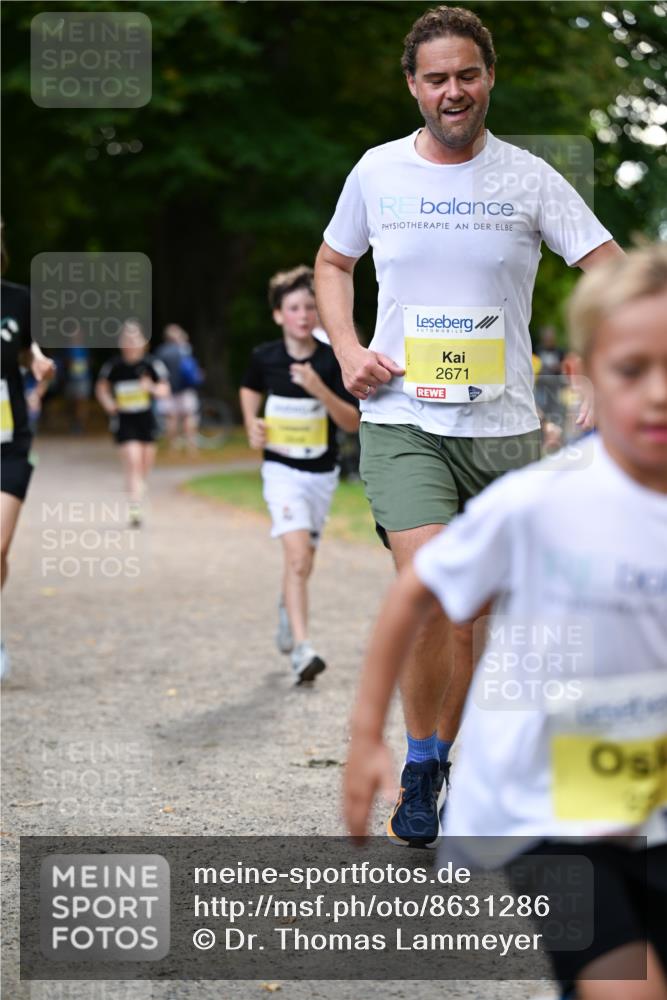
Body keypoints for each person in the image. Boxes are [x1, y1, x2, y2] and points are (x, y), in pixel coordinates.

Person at [315, 3, 624, 846]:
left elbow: (609, 268)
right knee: (430, 599)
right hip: (402, 417)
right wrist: (346, 347)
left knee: (476, 618)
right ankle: (420, 764)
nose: (453, 91)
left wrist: (601, 369)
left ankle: (450, 751)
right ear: (412, 86)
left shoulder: (528, 178)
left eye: (467, 75)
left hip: (502, 429)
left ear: (488, 79)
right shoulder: (377, 172)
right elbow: (334, 262)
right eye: (435, 78)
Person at [344, 245, 667, 997]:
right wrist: (366, 738)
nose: (656, 394)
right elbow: (414, 595)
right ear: (584, 373)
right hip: (547, 803)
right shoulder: (539, 502)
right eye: (630, 370)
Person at [240, 266, 359, 684]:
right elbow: (249, 389)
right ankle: (304, 651)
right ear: (279, 315)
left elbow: (351, 423)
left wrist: (318, 388)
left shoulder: (330, 360)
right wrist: (251, 423)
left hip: (320, 475)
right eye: (294, 308)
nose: (304, 315)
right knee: (295, 556)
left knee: (303, 561)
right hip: (281, 471)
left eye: (311, 306)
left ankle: (287, 609)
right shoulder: (265, 358)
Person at [1, 238, 56, 679]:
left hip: (9, 439)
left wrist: (37, 360)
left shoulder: (18, 298)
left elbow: (26, 347)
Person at [95, 320, 170, 527]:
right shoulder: (113, 366)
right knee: (133, 461)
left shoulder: (152, 364)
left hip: (147, 421)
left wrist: (151, 388)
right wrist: (108, 403)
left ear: (143, 342)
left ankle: (137, 488)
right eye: (126, 339)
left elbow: (165, 391)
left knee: (144, 466)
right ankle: (135, 507)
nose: (130, 342)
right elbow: (101, 389)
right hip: (125, 421)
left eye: (134, 338)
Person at [155, 324, 203, 452]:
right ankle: (191, 446)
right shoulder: (184, 349)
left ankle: (173, 447)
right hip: (186, 389)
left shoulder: (161, 351)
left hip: (168, 390)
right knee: (189, 416)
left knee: (171, 419)